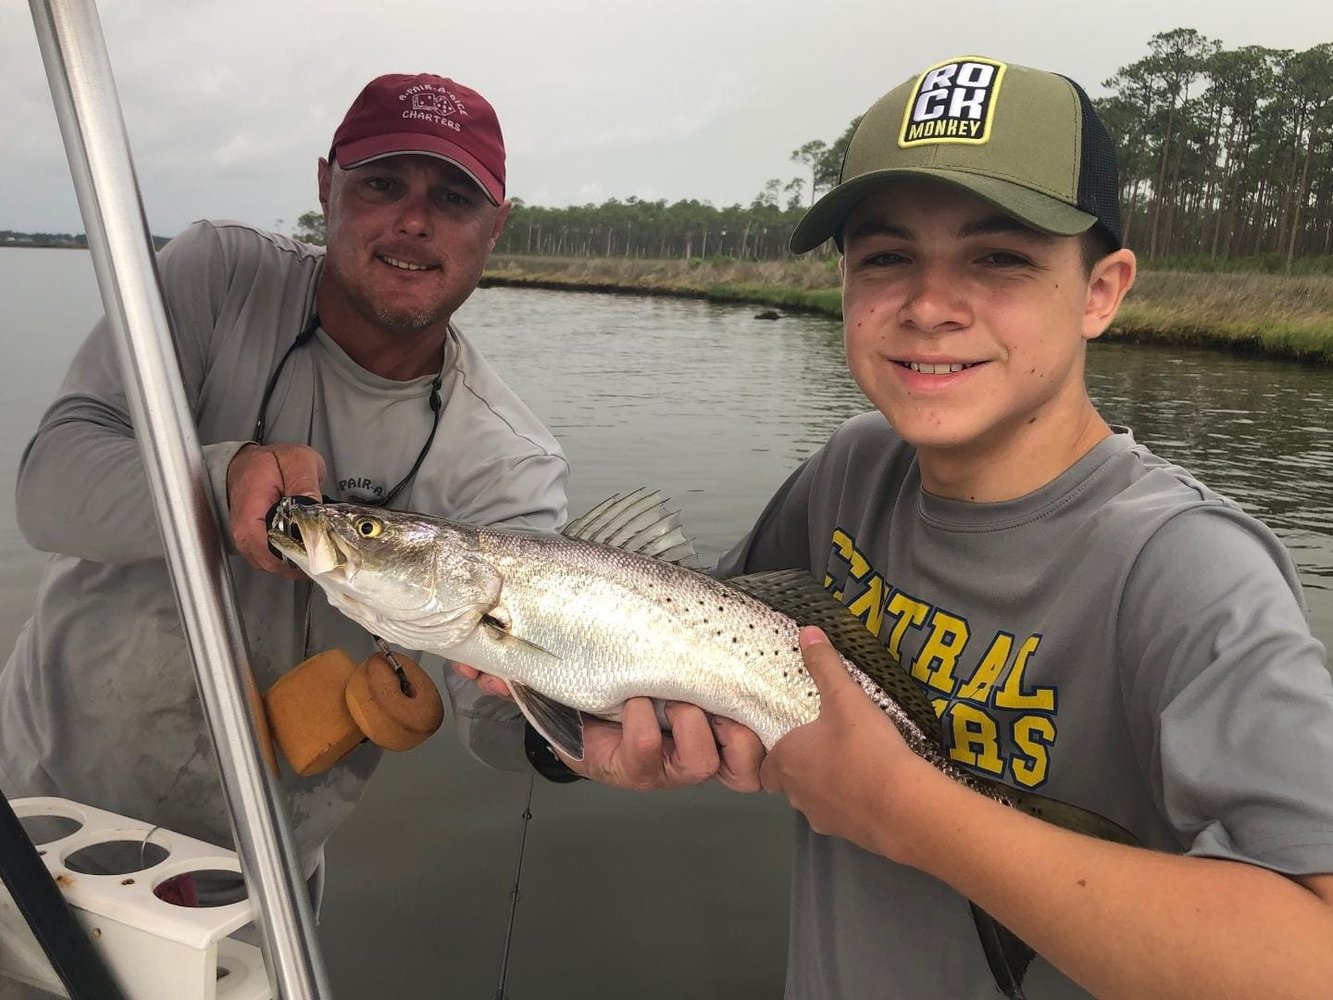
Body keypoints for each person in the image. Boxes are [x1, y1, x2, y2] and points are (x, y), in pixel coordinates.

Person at [465, 55, 1333, 997]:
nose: (927, 306)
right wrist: (577, 730)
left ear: (1101, 290)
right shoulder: (848, 474)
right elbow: (674, 664)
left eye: (999, 257)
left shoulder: (1189, 567)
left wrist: (907, 810)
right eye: (885, 258)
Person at [0, 72, 567, 895]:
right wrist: (217, 472)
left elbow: (492, 713)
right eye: (381, 184)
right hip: (41, 818)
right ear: (323, 186)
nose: (413, 221)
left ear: (497, 226)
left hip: (260, 883)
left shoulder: (507, 460)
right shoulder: (217, 278)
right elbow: (48, 489)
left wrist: (572, 733)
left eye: (454, 197)